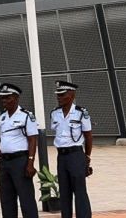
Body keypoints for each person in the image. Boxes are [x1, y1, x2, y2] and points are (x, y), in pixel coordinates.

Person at [0, 83, 38, 218]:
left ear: (16, 98)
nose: (4, 100)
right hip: (5, 163)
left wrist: (30, 162)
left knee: (26, 198)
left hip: (20, 162)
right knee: (7, 200)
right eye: (3, 98)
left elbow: (32, 139)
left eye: (8, 97)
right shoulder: (3, 117)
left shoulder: (26, 116)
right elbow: (3, 140)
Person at [50, 81, 92, 218]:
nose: (59, 97)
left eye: (62, 95)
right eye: (58, 95)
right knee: (64, 191)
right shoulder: (55, 113)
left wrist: (87, 156)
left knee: (79, 190)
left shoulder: (81, 113)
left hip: (75, 154)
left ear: (72, 95)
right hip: (61, 156)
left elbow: (88, 135)